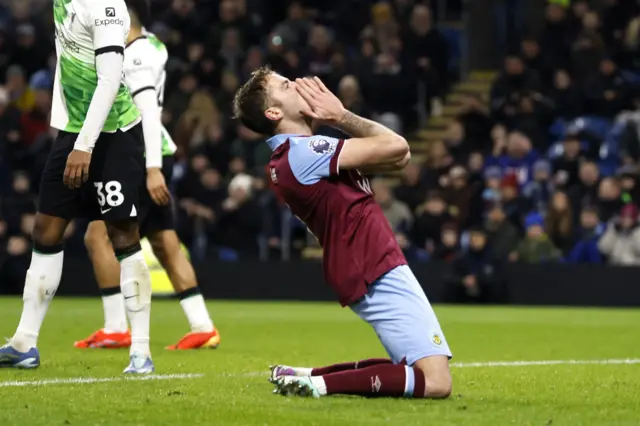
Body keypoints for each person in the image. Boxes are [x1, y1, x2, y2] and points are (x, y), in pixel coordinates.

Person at [233, 67, 452, 399]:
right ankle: (317, 386)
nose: (301, 86)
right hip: (372, 262)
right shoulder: (305, 152)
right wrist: (341, 115)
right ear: (274, 112)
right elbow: (397, 145)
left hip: (366, 261)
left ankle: (306, 375)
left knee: (409, 367)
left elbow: (401, 157)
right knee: (435, 382)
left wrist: (338, 121)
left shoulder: (299, 153)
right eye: (287, 85)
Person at [0, 0, 154, 374]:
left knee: (122, 234)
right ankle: (24, 342)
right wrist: (70, 132)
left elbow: (110, 78)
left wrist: (84, 146)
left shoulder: (106, 6)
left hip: (114, 133)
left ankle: (141, 351)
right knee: (46, 230)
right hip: (75, 131)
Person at [74, 1, 220, 351]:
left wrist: (152, 169)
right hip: (156, 153)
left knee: (98, 236)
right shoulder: (151, 45)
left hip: (141, 155)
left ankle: (115, 327)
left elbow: (149, 113)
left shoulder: (137, 55)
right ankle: (202, 325)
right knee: (164, 240)